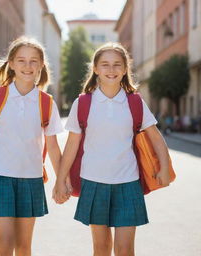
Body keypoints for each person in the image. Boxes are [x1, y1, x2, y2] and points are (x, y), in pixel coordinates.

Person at [53, 42, 170, 256]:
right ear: (95, 69)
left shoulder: (134, 101)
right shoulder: (83, 103)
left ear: (125, 69)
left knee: (125, 250)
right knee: (102, 248)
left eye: (117, 65)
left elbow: (156, 137)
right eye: (105, 65)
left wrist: (164, 167)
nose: (111, 70)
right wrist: (60, 179)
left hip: (128, 182)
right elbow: (71, 145)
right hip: (94, 182)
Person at [0, 36, 64, 256]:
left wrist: (61, 180)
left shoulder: (46, 102)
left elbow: (53, 146)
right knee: (4, 244)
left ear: (41, 65)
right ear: (11, 63)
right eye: (21, 60)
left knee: (23, 247)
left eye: (33, 61)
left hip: (31, 180)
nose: (27, 66)